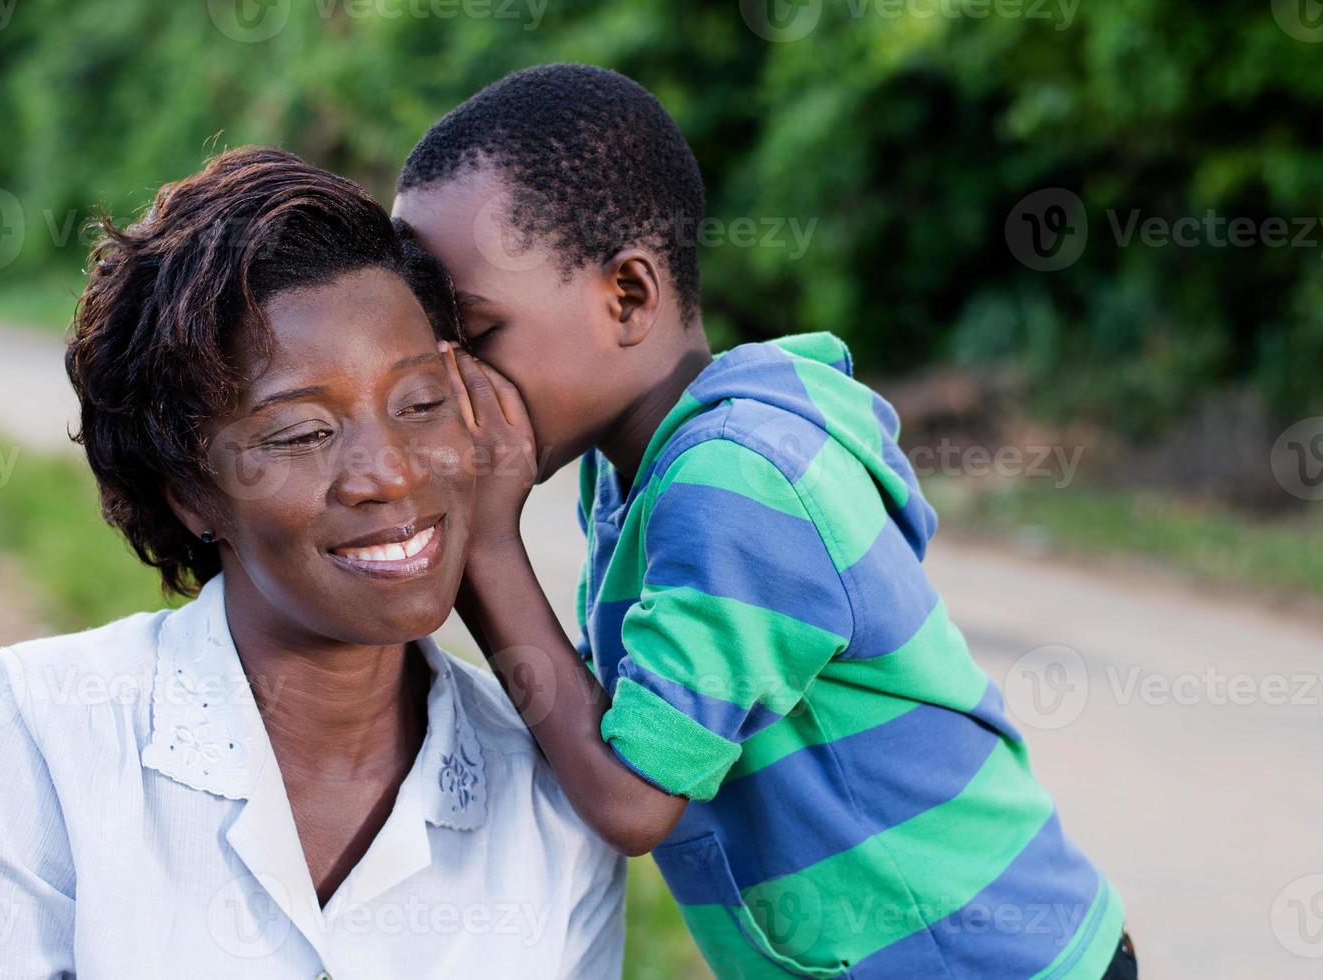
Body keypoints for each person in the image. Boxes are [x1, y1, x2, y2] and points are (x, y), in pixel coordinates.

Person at [393, 64, 1136, 979]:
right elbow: (631, 713)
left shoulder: (735, 482)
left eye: (475, 335)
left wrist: (489, 544)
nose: (452, 383)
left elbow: (633, 798)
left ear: (629, 297)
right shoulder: (630, 470)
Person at [0, 146, 625, 979]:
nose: (393, 473)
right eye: (303, 433)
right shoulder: (33, 737)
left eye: (422, 404)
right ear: (189, 490)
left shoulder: (551, 797)